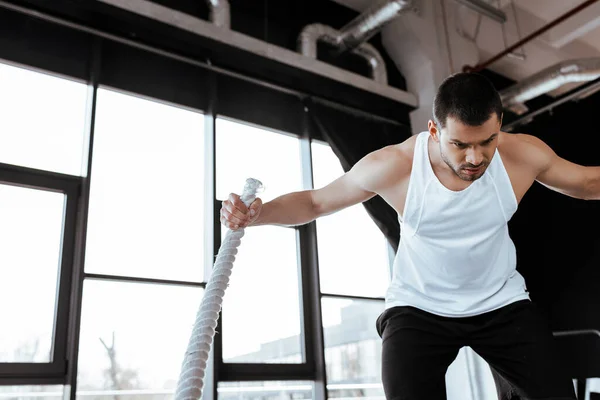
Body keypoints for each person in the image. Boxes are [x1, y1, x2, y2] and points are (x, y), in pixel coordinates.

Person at [220, 72, 600, 399]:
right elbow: (318, 202)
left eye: (487, 141)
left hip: (501, 302)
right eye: (460, 144)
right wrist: (259, 214)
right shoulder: (396, 166)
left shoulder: (521, 155)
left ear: (499, 124)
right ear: (434, 130)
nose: (475, 158)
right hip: (419, 308)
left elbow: (585, 182)